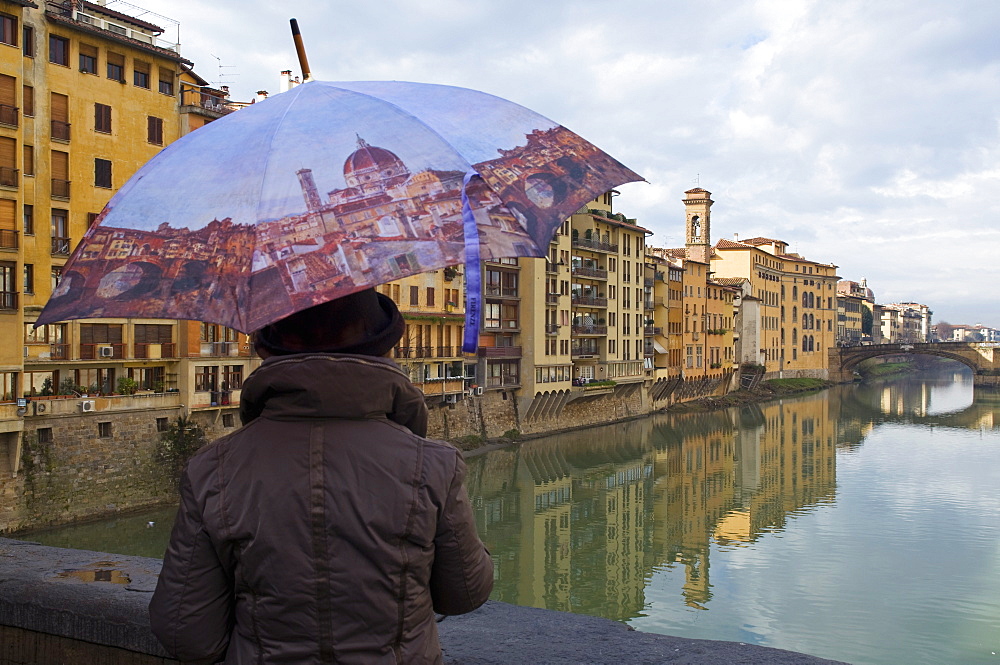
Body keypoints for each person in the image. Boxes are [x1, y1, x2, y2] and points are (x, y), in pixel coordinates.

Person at [149, 288, 493, 664]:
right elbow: (465, 594)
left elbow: (187, 633)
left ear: (266, 351)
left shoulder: (212, 469)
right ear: (384, 350)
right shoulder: (434, 465)